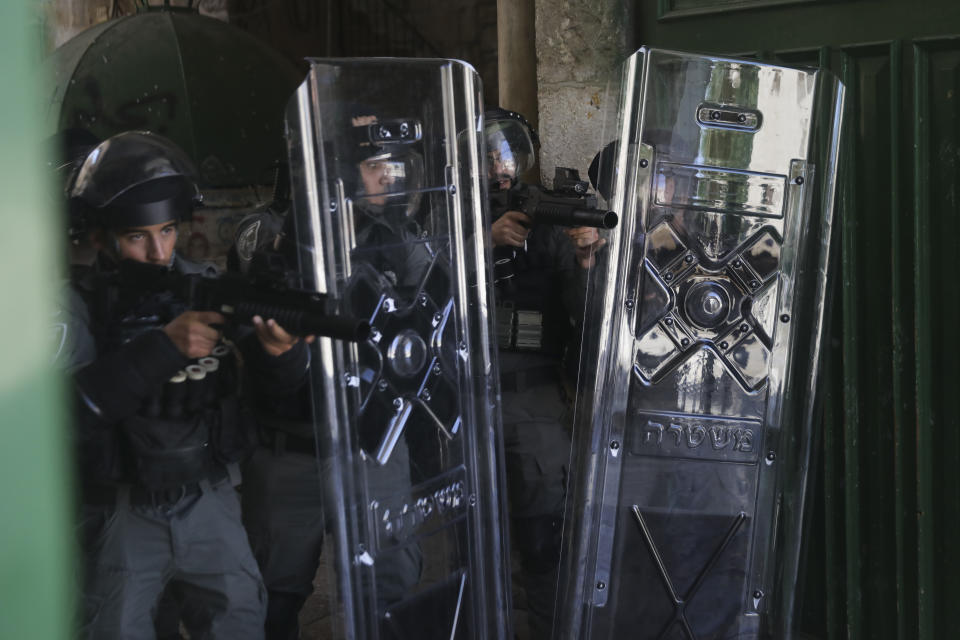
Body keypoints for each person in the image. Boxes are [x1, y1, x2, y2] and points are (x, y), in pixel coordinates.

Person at [56, 130, 310, 639]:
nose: (159, 252)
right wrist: (164, 347)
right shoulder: (73, 306)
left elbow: (270, 394)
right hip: (119, 509)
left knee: (238, 623)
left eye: (168, 231)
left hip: (207, 497)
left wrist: (280, 354)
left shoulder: (201, 285)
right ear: (100, 237)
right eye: (137, 236)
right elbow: (67, 417)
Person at [239, 108, 424, 639]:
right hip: (292, 445)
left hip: (372, 443)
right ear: (339, 171)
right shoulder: (273, 233)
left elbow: (425, 330)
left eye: (393, 164)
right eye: (373, 164)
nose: (388, 176)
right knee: (272, 596)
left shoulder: (400, 239)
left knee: (387, 586)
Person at [484, 107, 605, 639]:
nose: (499, 164)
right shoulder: (445, 217)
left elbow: (588, 324)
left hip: (532, 401)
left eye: (508, 153)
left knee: (543, 541)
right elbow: (421, 293)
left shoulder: (548, 226)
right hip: (462, 397)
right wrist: (482, 243)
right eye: (488, 153)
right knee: (469, 543)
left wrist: (583, 262)